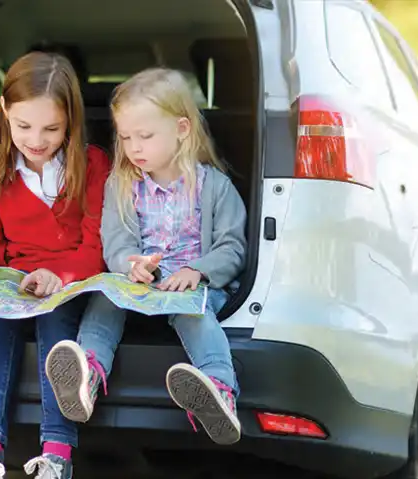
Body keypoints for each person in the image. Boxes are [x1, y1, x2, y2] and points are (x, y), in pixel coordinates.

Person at [44, 67, 247, 446]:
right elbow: (116, 241)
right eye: (125, 137)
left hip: (190, 286)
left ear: (182, 130)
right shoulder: (122, 185)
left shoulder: (215, 187)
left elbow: (233, 247)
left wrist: (197, 271)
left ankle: (219, 390)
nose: (134, 147)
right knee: (105, 299)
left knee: (195, 314)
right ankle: (86, 374)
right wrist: (129, 263)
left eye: (145, 136)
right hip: (142, 282)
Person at [0, 51, 110, 478]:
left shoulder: (94, 166)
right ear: (5, 112)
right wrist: (3, 285)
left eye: (52, 129)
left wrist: (58, 277)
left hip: (71, 283)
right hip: (17, 285)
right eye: (24, 126)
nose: (36, 140)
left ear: (71, 121)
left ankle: (56, 453)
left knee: (56, 326)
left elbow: (96, 247)